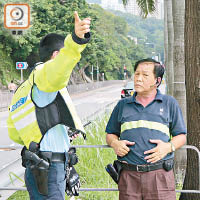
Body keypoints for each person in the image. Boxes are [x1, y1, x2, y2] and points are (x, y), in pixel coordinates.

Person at [7, 11, 91, 200]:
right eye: (60, 56)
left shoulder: (23, 89)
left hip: (35, 166)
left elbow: (16, 133)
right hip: (51, 169)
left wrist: (55, 132)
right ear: (56, 54)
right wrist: (76, 41)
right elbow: (59, 69)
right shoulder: (45, 74)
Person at [105, 58, 187, 200]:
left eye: (145, 75)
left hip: (160, 176)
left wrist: (168, 147)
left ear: (157, 80)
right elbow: (110, 134)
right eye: (136, 74)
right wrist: (115, 143)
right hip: (128, 176)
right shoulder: (123, 105)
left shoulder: (169, 103)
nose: (138, 79)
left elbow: (181, 135)